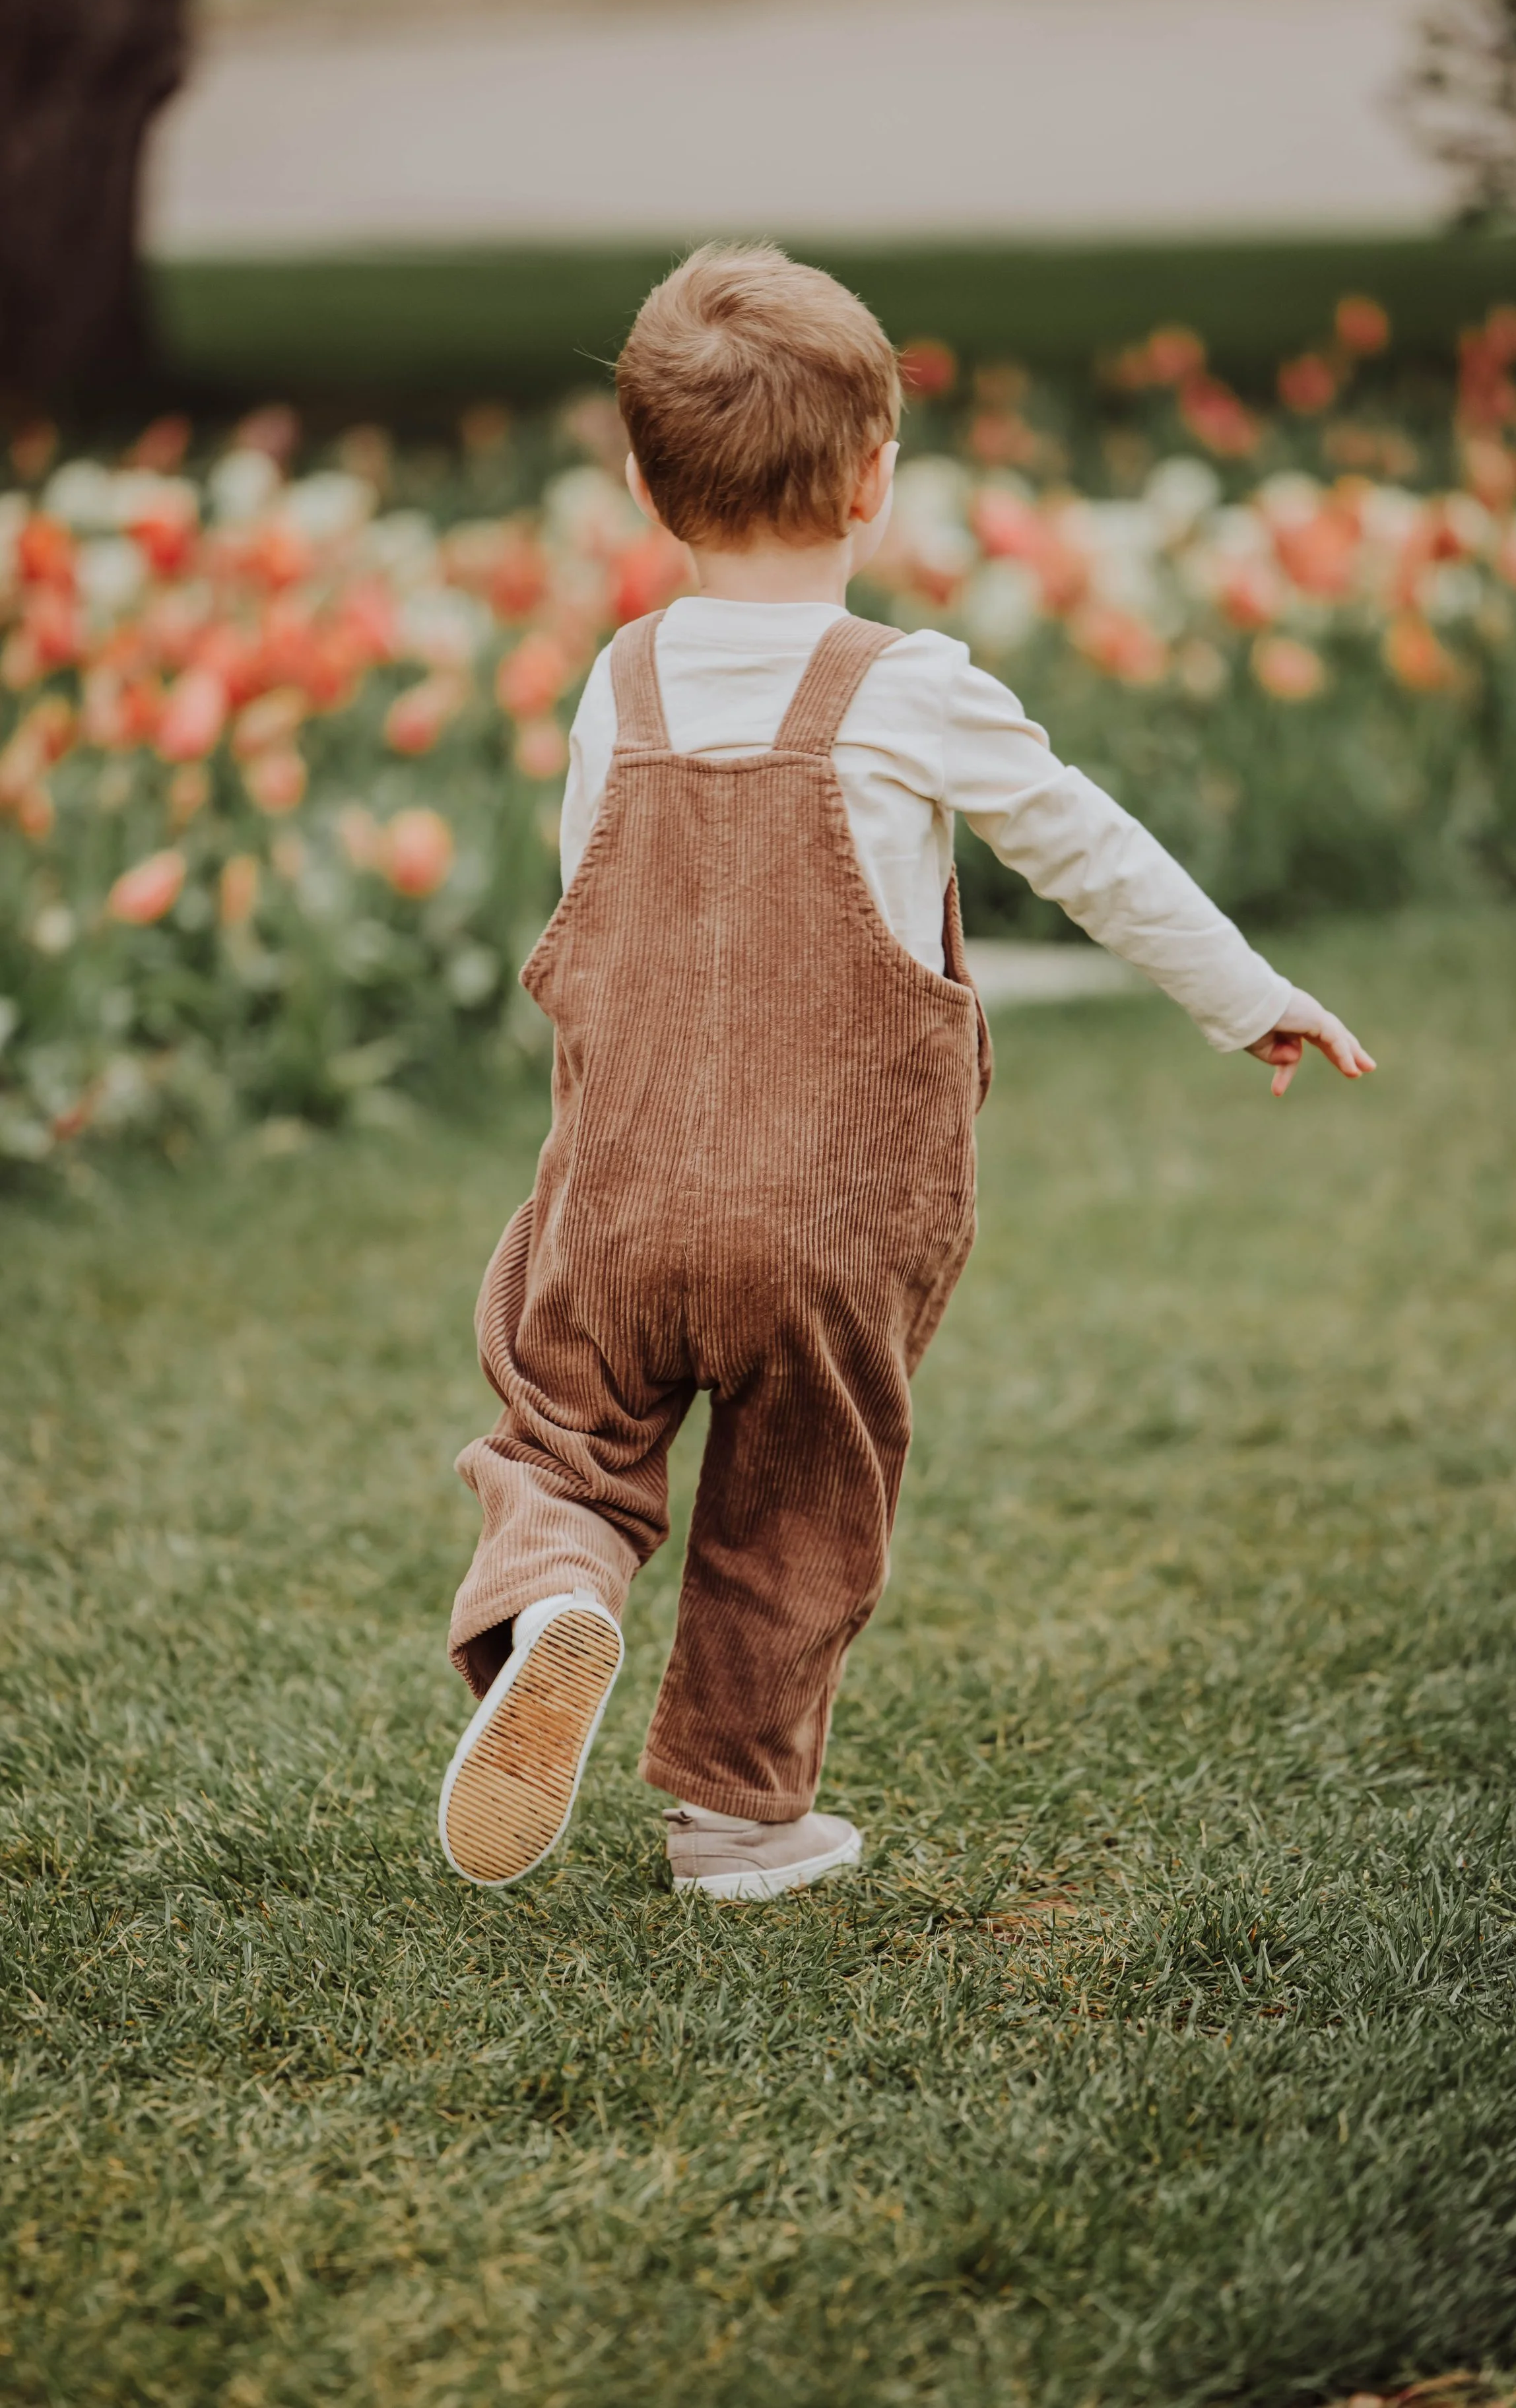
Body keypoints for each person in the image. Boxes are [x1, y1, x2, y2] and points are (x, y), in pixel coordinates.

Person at [437, 243, 1375, 1903]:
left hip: (623, 1198)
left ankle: (555, 1597)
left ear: (644, 486)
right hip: (823, 1228)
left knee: (562, 1432)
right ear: (875, 478)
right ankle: (738, 1822)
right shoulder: (909, 690)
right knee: (796, 1503)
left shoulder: (615, 683)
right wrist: (1247, 997)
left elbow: (595, 910)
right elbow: (1092, 852)